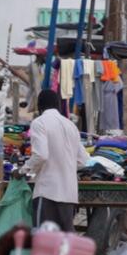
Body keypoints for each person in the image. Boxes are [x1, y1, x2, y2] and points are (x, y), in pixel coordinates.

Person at [25, 88, 88, 231]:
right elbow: (83, 160)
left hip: (48, 191)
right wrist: (65, 166)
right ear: (58, 106)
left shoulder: (39, 123)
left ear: (40, 107)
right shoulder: (70, 125)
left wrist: (24, 169)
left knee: (43, 238)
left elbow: (41, 155)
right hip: (69, 194)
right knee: (64, 239)